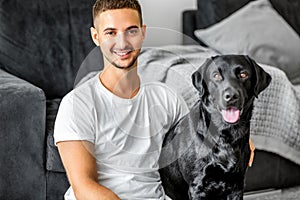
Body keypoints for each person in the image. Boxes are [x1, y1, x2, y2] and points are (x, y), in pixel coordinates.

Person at [54, 0, 189, 199]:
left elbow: (201, 135)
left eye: (131, 31)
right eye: (111, 33)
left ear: (143, 33)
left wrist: (233, 129)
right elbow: (84, 187)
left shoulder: (167, 98)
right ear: (96, 36)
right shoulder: (77, 104)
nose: (123, 43)